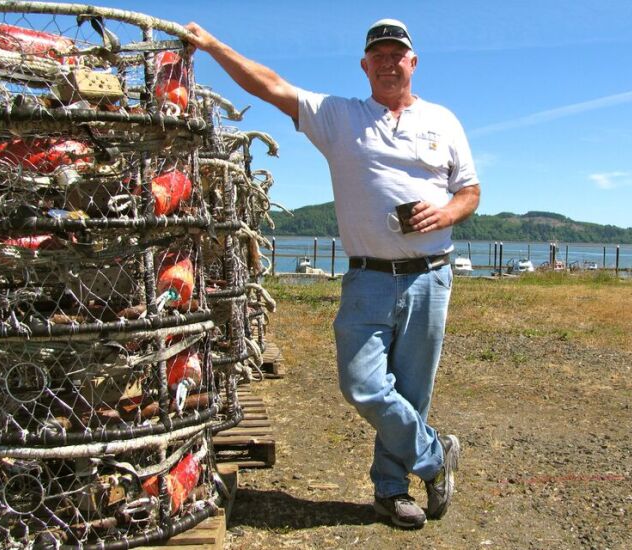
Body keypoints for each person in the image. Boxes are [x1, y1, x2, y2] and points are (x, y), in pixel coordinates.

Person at [185, 18, 481, 529]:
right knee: (361, 384)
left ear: (413, 63)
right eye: (379, 56)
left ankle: (390, 492)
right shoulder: (339, 117)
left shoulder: (444, 121)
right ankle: (434, 456)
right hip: (367, 277)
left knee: (412, 392)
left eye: (398, 55)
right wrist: (212, 46)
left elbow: (470, 191)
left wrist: (448, 213)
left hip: (431, 276)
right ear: (365, 66)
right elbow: (271, 85)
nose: (389, 63)